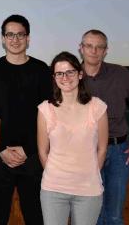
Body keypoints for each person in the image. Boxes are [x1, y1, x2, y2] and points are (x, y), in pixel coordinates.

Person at [78, 29, 129, 225]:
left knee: (114, 214)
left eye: (99, 47)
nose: (94, 51)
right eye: (89, 46)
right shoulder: (70, 76)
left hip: (119, 151)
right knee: (91, 214)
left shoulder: (120, 73)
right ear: (81, 48)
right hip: (86, 151)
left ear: (106, 51)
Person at [0, 14, 51, 225]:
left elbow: (49, 116)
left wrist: (28, 149)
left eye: (20, 34)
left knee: (35, 216)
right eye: (10, 35)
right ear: (3, 39)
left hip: (32, 156)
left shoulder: (42, 70)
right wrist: (1, 148)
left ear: (28, 38)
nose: (15, 39)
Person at [37, 52, 108, 225]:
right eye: (59, 73)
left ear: (80, 74)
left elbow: (102, 148)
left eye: (70, 72)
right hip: (53, 189)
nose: (65, 77)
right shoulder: (45, 109)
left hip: (88, 190)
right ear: (54, 77)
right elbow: (42, 150)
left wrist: (90, 174)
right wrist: (55, 174)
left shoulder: (97, 107)